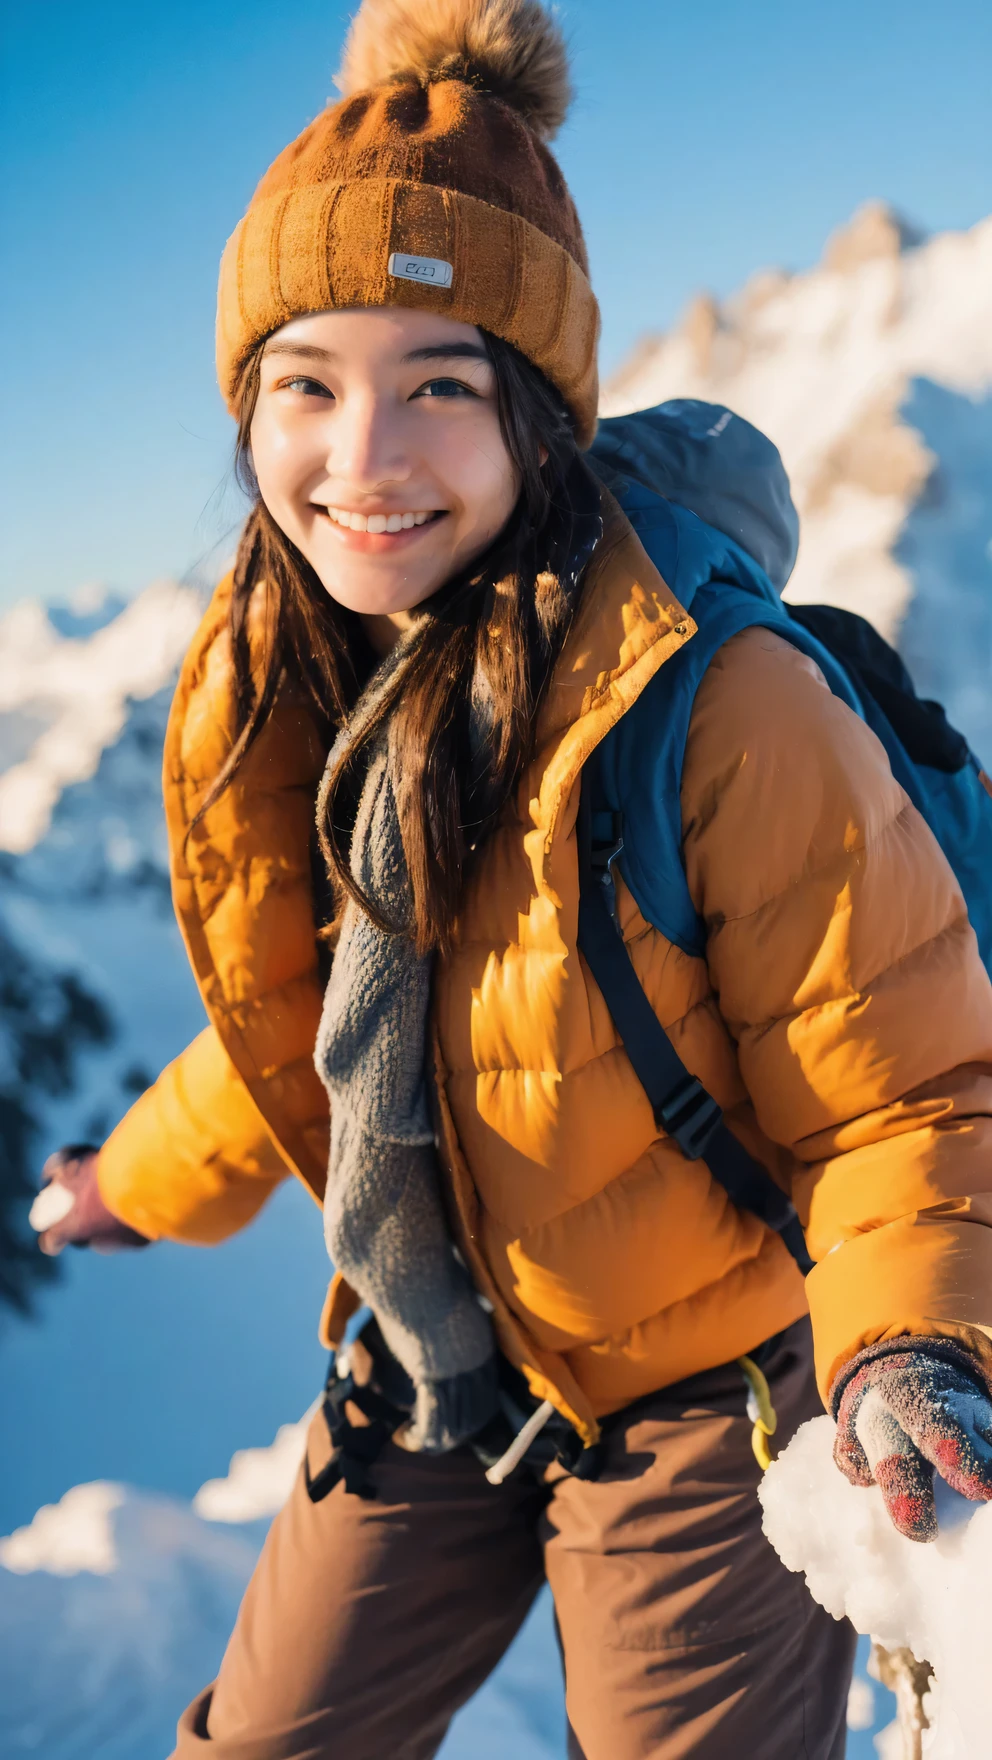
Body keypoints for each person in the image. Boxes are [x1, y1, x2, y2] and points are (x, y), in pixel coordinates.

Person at [35, 2, 992, 1755]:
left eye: (441, 385)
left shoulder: (718, 704)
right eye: (308, 386)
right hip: (435, 1352)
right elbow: (309, 1027)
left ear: (539, 419)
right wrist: (135, 1184)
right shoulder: (295, 681)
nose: (367, 459)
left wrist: (900, 1345)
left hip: (708, 1401)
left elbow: (907, 1088)